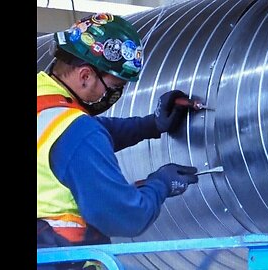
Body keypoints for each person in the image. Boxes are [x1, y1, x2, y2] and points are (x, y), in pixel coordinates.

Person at [37, 13, 198, 269]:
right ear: (85, 76)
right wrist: (160, 185)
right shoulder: (76, 131)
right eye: (114, 85)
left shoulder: (45, 106)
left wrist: (151, 125)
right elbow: (124, 217)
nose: (114, 95)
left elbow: (88, 134)